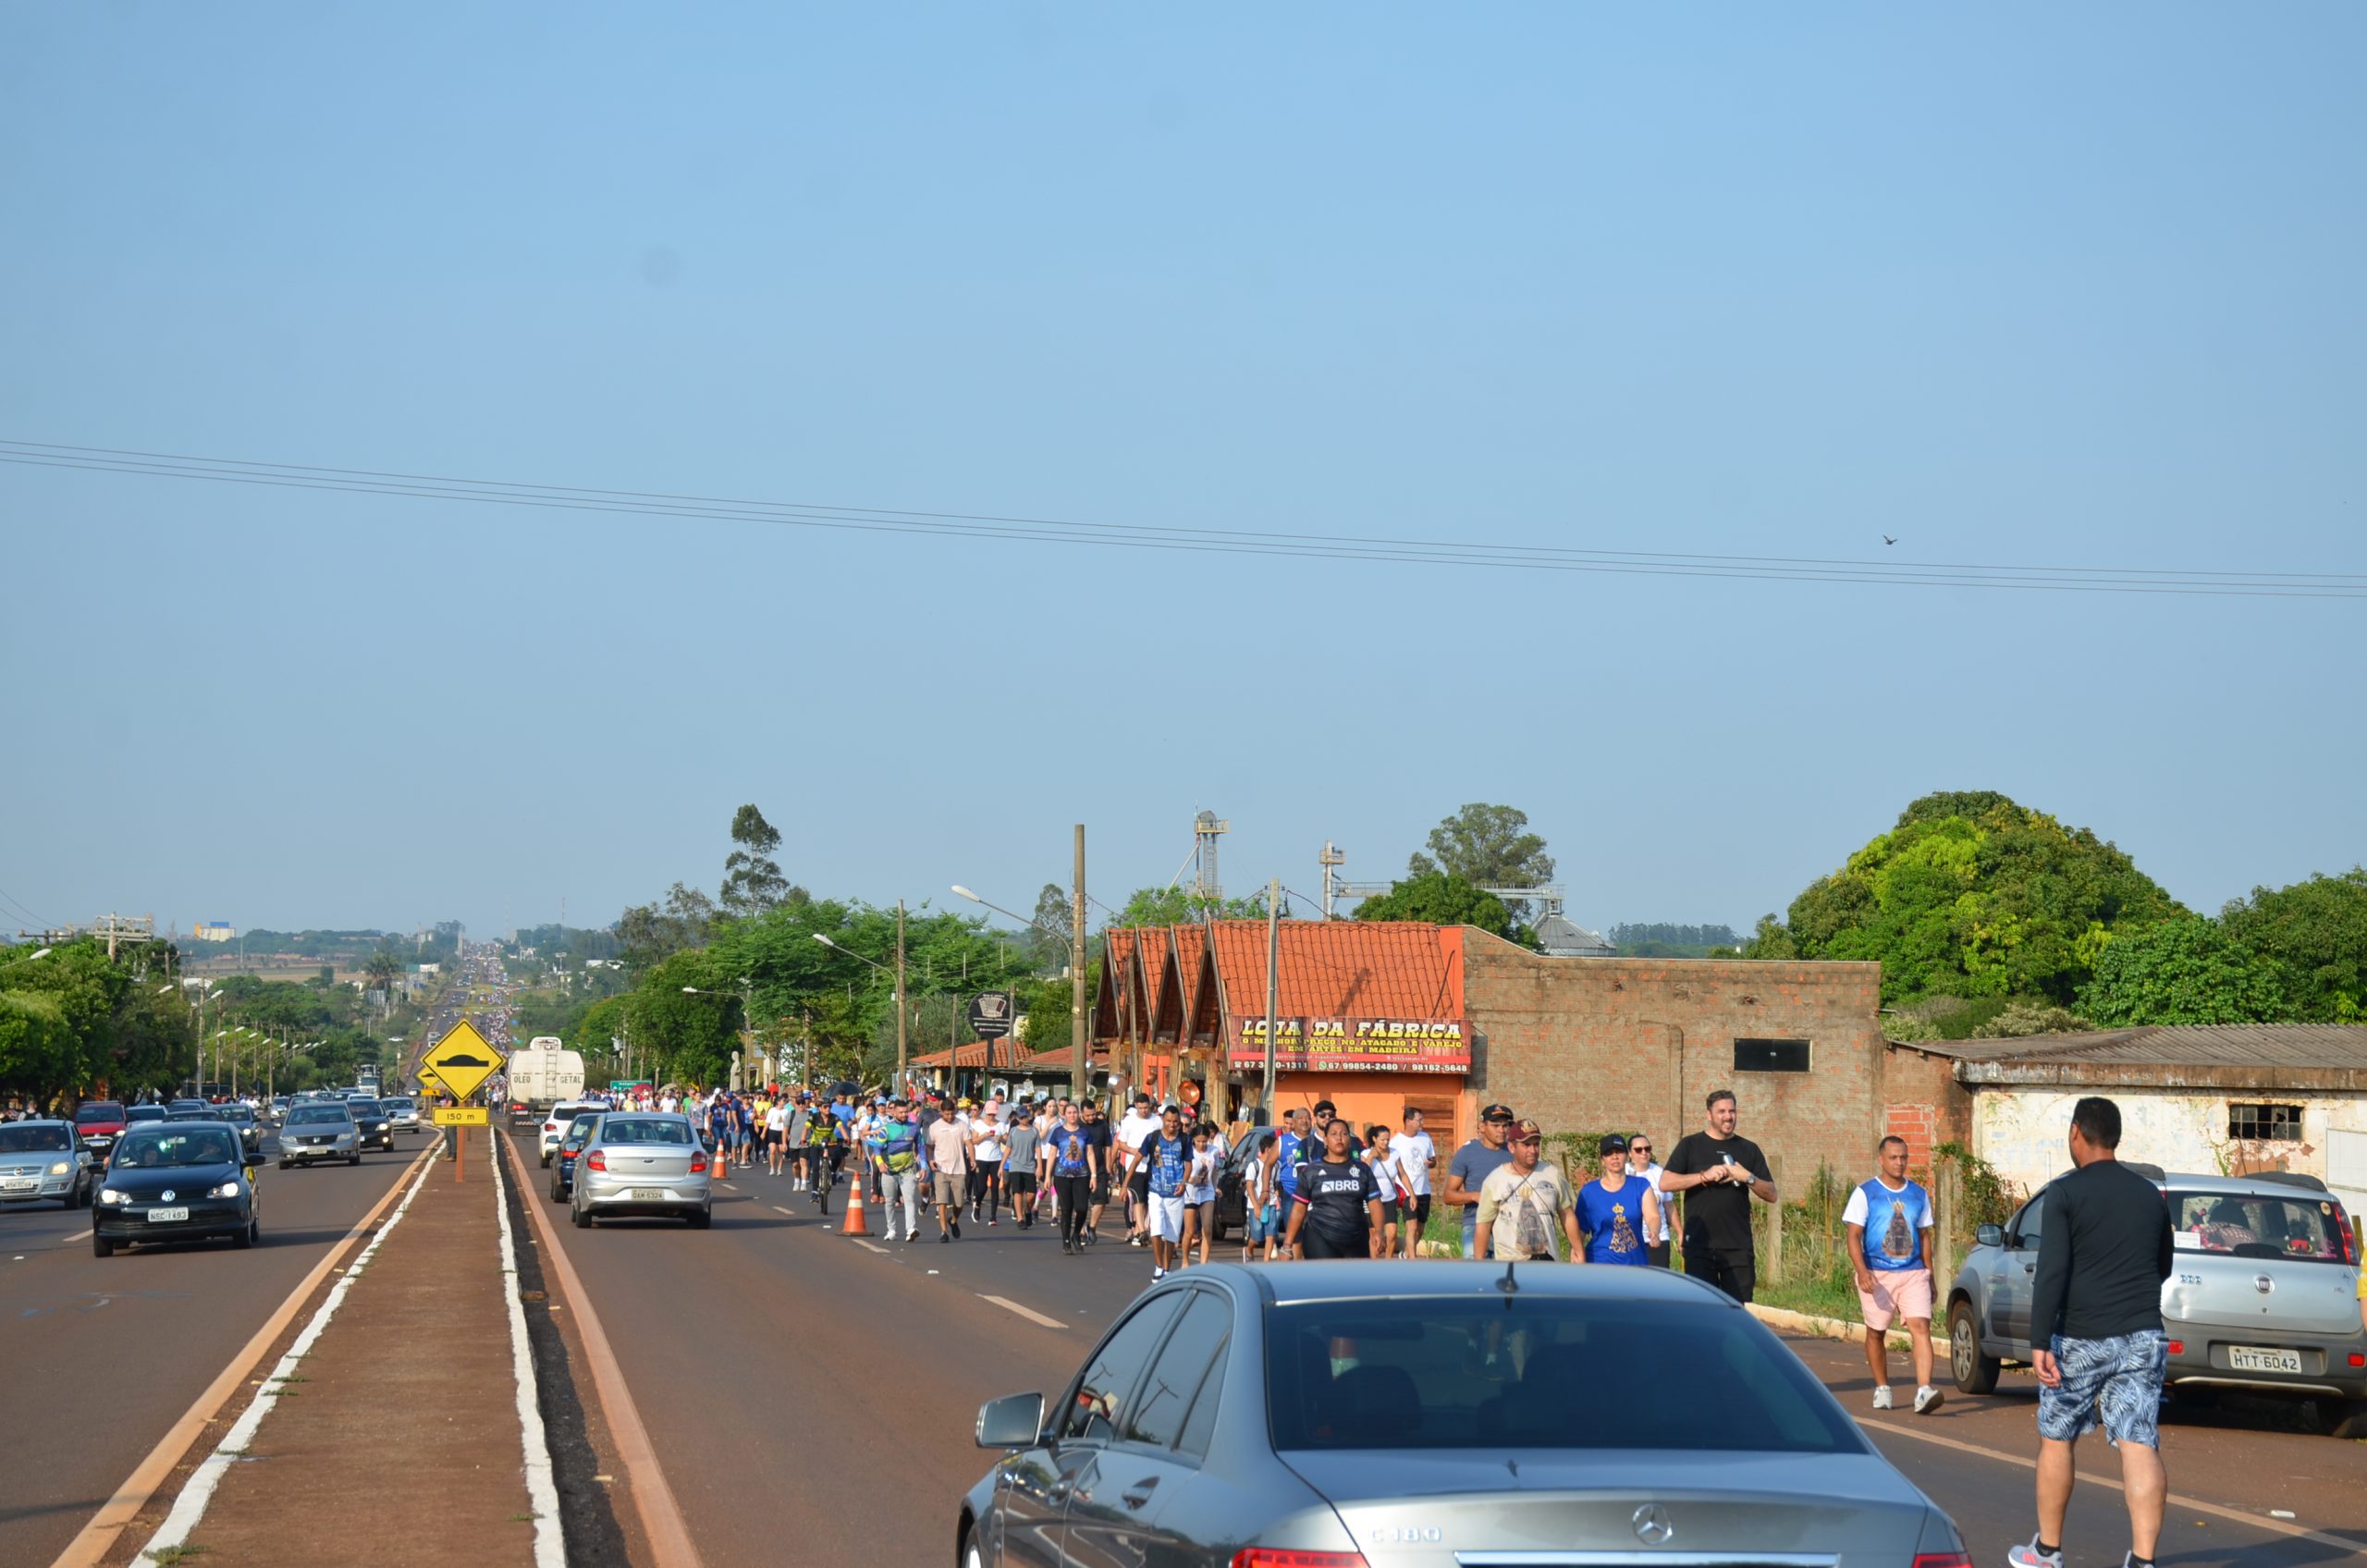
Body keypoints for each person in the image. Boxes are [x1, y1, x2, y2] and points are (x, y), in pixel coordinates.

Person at [2006, 1096, 2176, 1568]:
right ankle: (2143, 1561)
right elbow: (2162, 1265)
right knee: (2139, 1440)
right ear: (2116, 1137)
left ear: (2076, 1133)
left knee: (2058, 1436)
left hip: (2079, 1336)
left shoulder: (2064, 1193)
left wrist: (2040, 1341)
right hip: (2143, 1335)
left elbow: (2053, 1271)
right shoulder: (2150, 1195)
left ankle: (2046, 1551)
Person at [1846, 1134, 1943, 1415]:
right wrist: (1862, 1271)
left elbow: (1924, 1236)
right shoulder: (1866, 1193)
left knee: (1921, 1328)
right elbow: (1853, 1236)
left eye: (1903, 1157)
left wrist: (1930, 1275)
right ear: (1881, 1159)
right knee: (1876, 1332)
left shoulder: (1918, 1194)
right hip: (1878, 1273)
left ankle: (1924, 1390)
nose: (1899, 1163)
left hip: (1913, 1273)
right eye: (1893, 1157)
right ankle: (1882, 1387)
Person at [1659, 1088, 1775, 1301]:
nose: (1728, 1116)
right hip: (1699, 1246)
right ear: (1709, 1114)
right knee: (1702, 1312)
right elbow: (1666, 1182)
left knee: (1739, 1311)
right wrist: (1704, 1176)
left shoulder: (1749, 1149)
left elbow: (1772, 1194)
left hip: (1738, 1247)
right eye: (1721, 1111)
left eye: (1732, 1111)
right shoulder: (1690, 1145)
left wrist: (1748, 1177)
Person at [1477, 1119, 1581, 1262]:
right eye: (1526, 1145)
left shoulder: (1552, 1174)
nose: (1533, 1150)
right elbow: (1484, 1223)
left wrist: (1578, 1250)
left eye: (1536, 1144)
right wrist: (1479, 1261)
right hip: (1510, 1265)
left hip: (1547, 1263)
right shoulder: (1495, 1180)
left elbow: (1567, 1215)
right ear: (1512, 1147)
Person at [1283, 1115, 1384, 1259]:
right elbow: (1299, 1209)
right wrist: (1287, 1246)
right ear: (1325, 1141)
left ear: (1350, 1140)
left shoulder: (1363, 1170)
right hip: (1320, 1237)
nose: (1339, 1138)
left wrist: (1379, 1231)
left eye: (1344, 1134)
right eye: (1334, 1134)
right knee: (1325, 1281)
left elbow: (1374, 1203)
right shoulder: (1312, 1171)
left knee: (1355, 1282)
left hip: (1356, 1238)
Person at [1441, 1104, 1516, 1259]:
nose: (1501, 1130)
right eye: (1495, 1125)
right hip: (1474, 1223)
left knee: (1506, 1275)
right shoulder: (1467, 1153)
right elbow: (1448, 1195)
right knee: (1474, 1272)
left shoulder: (1514, 1153)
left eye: (1505, 1126)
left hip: (1507, 1225)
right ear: (1482, 1127)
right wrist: (1475, 1196)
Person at [1576, 1133, 1660, 1267]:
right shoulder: (1589, 1192)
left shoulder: (1641, 1185)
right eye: (1609, 1153)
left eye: (1619, 1152)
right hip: (1601, 1263)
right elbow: (1580, 1230)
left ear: (1627, 1155)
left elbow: (1653, 1216)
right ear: (1602, 1160)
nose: (1615, 1157)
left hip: (1635, 1262)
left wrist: (1654, 1232)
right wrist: (1576, 1255)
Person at [1134, 1105, 1192, 1280]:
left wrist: (1184, 1183)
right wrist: (1124, 1184)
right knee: (1157, 1230)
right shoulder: (1153, 1138)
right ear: (1162, 1120)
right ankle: (1158, 1266)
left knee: (1172, 1235)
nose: (1172, 1125)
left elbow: (1188, 1163)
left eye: (1176, 1122)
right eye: (1169, 1121)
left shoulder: (1185, 1140)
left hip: (1175, 1193)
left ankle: (1166, 1268)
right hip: (1156, 1191)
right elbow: (1137, 1159)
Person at [1043, 1102, 1100, 1256]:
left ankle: (1076, 1234)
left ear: (1079, 1114)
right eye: (1069, 1113)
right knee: (1067, 1209)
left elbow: (1089, 1154)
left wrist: (1093, 1175)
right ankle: (1066, 1241)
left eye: (1075, 1112)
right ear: (1065, 1114)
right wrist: (1048, 1176)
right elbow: (1052, 1154)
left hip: (1081, 1175)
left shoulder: (1085, 1133)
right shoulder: (1058, 1132)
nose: (1072, 1115)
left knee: (1081, 1208)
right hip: (1062, 1175)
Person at [1113, 1094, 1161, 1246]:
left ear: (1150, 1106)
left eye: (1146, 1107)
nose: (1144, 1111)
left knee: (1150, 1198)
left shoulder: (1157, 1121)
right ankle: (1140, 1230)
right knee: (1138, 1197)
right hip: (1134, 1165)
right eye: (1140, 1108)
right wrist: (1133, 1151)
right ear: (1136, 1106)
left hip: (1153, 1165)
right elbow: (1120, 1144)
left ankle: (1148, 1228)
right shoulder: (1129, 1121)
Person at [925, 1100, 973, 1243]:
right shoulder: (934, 1127)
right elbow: (929, 1146)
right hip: (940, 1169)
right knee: (942, 1202)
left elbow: (969, 1143)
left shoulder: (962, 1125)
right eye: (946, 1114)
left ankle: (953, 1220)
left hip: (959, 1169)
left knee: (959, 1204)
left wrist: (973, 1159)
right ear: (941, 1113)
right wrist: (930, 1159)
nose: (950, 1116)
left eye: (952, 1113)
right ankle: (944, 1232)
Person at [1395, 1106, 1436, 1259]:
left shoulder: (1426, 1138)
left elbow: (1433, 1159)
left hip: (1424, 1190)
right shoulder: (1395, 1142)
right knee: (1411, 1227)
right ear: (1408, 1121)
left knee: (1419, 1230)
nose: (1422, 1123)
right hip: (1406, 1192)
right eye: (1419, 1120)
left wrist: (1432, 1163)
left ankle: (1405, 1254)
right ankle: (1413, 1262)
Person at [1625, 1133, 1672, 1267]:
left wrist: (1680, 1233)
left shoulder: (1658, 1172)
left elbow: (1669, 1205)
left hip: (1658, 1236)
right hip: (1630, 1238)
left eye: (1647, 1149)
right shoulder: (1623, 1173)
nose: (1643, 1153)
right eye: (1638, 1150)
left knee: (1658, 1282)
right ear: (1630, 1153)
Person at [1180, 1121, 1220, 1268]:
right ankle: (1185, 1260)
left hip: (1207, 1192)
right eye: (1198, 1141)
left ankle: (1204, 1264)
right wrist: (1190, 1179)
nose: (1202, 1144)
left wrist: (1215, 1187)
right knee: (1190, 1231)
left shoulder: (1214, 1151)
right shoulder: (1189, 1151)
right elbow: (1182, 1173)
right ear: (1193, 1140)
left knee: (1207, 1229)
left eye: (1205, 1141)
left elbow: (1215, 1171)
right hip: (1191, 1192)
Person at [1363, 1124, 1404, 1259]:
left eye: (1388, 1140)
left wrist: (1412, 1194)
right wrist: (1371, 1157)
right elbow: (1362, 1174)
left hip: (1390, 1198)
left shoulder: (1394, 1153)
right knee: (1375, 1234)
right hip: (1373, 1201)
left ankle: (1388, 1262)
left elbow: (1402, 1174)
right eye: (1382, 1140)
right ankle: (1375, 1264)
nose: (1386, 1142)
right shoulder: (1365, 1154)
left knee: (1392, 1233)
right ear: (1374, 1139)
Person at [1241, 1131, 1282, 1262]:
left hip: (1271, 1204)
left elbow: (1276, 1185)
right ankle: (1249, 1249)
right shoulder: (1254, 1165)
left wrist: (1277, 1197)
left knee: (1271, 1234)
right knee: (1258, 1236)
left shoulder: (1276, 1165)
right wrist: (1256, 1206)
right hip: (1256, 1205)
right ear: (1268, 1149)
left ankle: (1266, 1263)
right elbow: (1249, 1186)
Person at [1001, 1109, 1040, 1229]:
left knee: (1032, 1194)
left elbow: (1038, 1149)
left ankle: (1028, 1210)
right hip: (1015, 1166)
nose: (1024, 1119)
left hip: (1030, 1166)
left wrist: (1040, 1166)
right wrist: (1001, 1165)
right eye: (1021, 1117)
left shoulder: (1034, 1131)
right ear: (1017, 1118)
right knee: (1017, 1192)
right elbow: (1008, 1148)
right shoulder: (1013, 1131)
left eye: (1026, 1117)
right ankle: (1020, 1218)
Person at [970, 1109, 1004, 1227]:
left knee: (995, 1188)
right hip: (981, 1159)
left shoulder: (1000, 1125)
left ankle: (993, 1217)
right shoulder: (979, 1124)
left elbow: (1007, 1140)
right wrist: (983, 1136)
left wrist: (1001, 1139)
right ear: (985, 1113)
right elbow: (972, 1141)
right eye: (989, 1114)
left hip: (996, 1159)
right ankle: (977, 1204)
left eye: (993, 1114)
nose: (991, 1116)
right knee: (982, 1188)